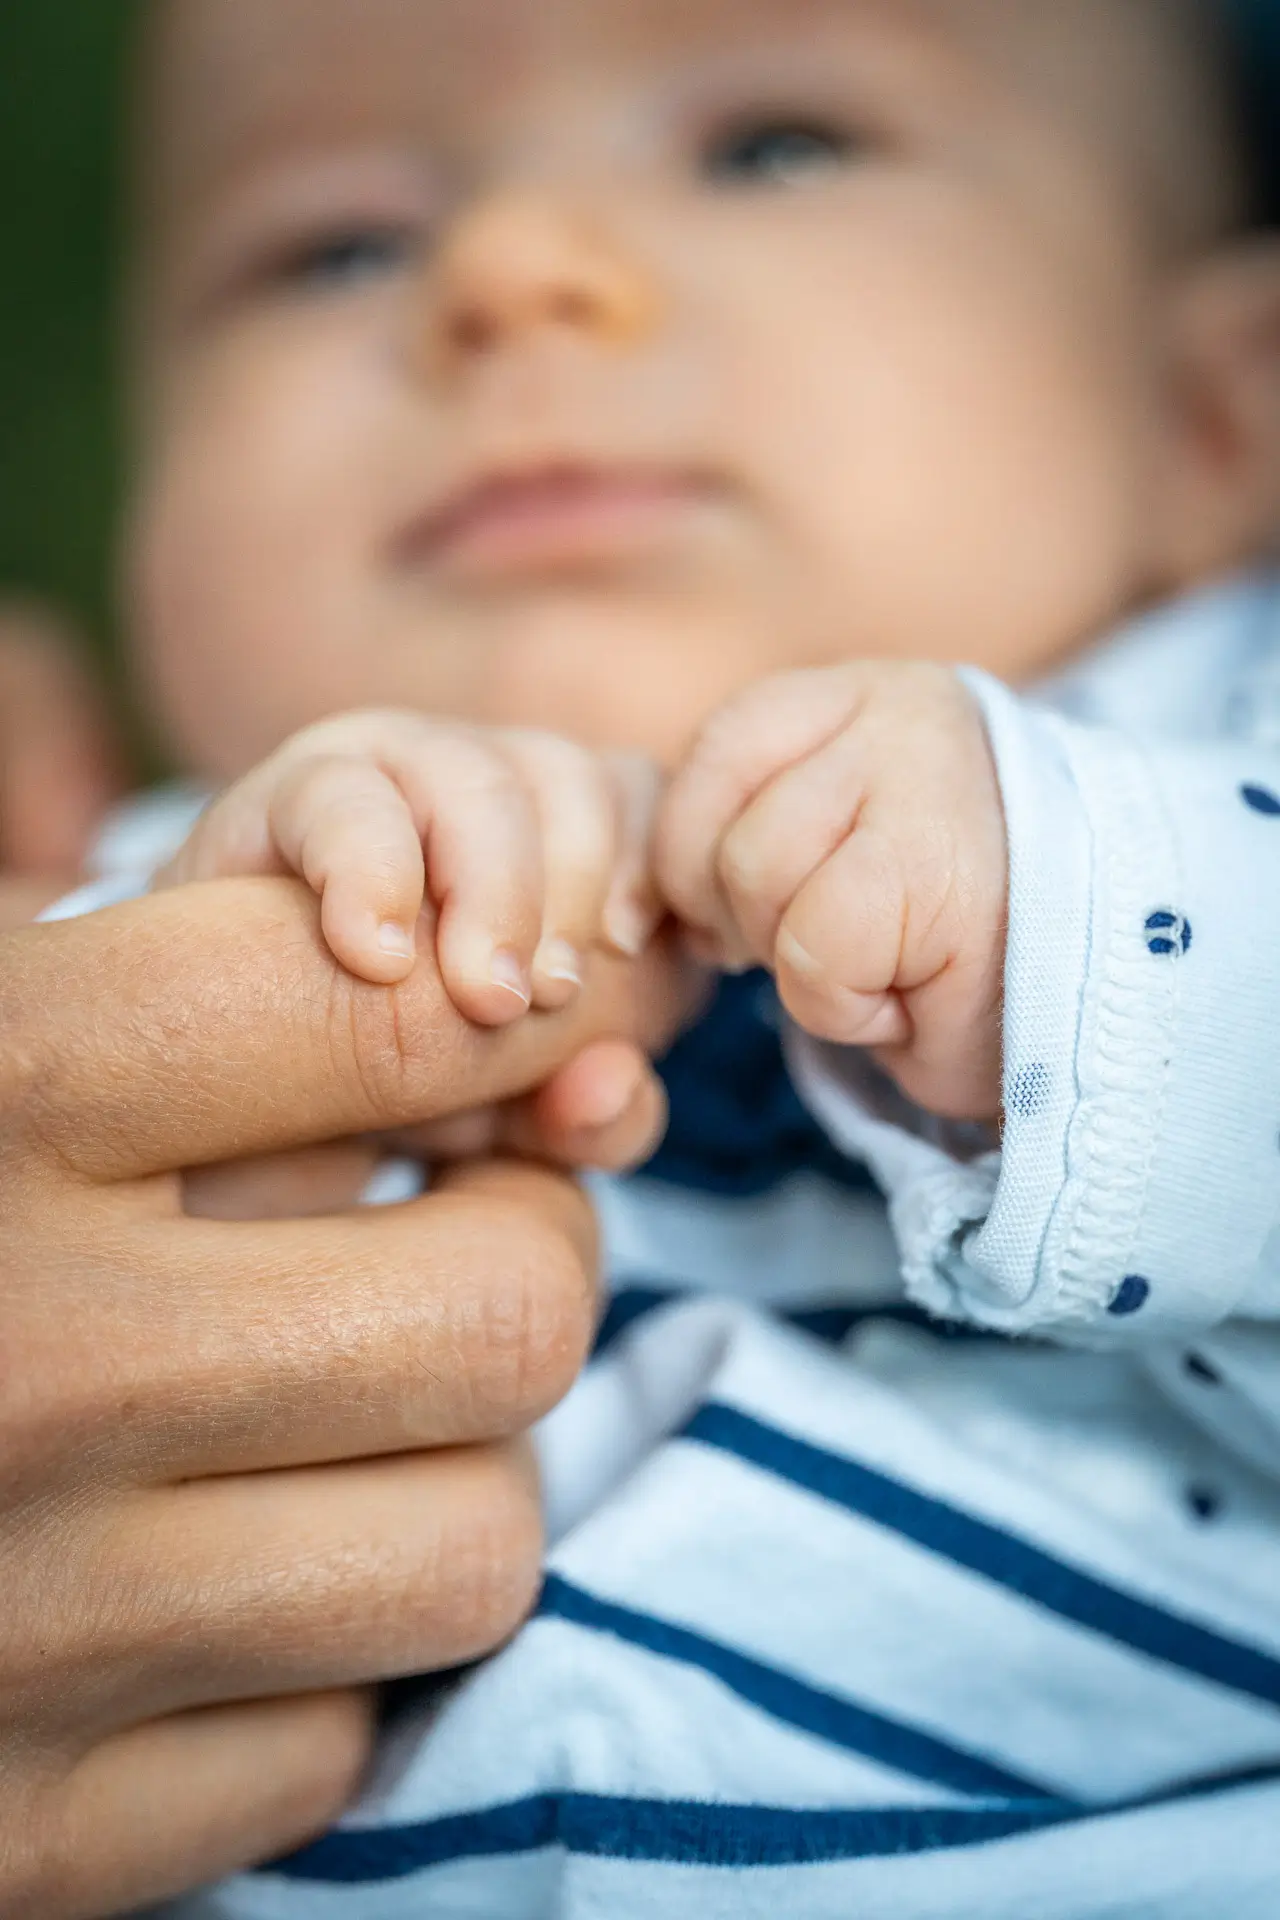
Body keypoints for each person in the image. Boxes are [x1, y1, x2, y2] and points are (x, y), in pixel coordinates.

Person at [56, 0, 1280, 1911]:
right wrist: (257, 1003)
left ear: (1222, 409)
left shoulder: (1229, 765)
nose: (509, 271)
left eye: (772, 144)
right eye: (331, 245)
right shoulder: (135, 912)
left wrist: (1080, 909)